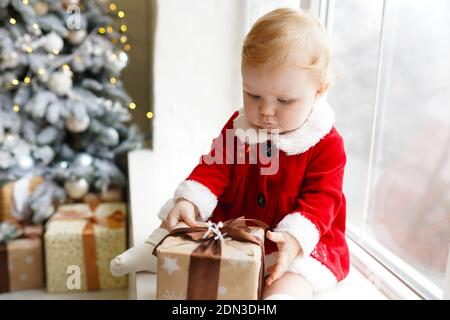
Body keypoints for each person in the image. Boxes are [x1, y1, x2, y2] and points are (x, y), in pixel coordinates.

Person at [111, 8, 349, 300]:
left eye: (283, 101)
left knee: (291, 274)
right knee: (185, 215)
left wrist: (295, 237)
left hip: (288, 238)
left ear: (318, 91)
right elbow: (215, 167)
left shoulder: (324, 143)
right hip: (237, 223)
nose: (265, 111)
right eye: (253, 95)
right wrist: (191, 201)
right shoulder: (241, 127)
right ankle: (155, 249)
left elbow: (323, 199)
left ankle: (281, 296)